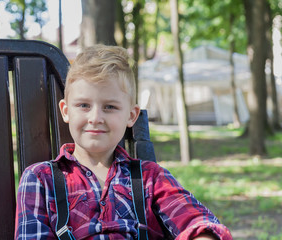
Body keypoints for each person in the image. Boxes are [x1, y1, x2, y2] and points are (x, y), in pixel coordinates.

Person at [14, 45, 232, 240]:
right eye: (83, 105)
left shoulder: (150, 178)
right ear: (65, 110)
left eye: (110, 107)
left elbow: (197, 221)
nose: (96, 117)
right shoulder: (40, 180)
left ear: (131, 115)